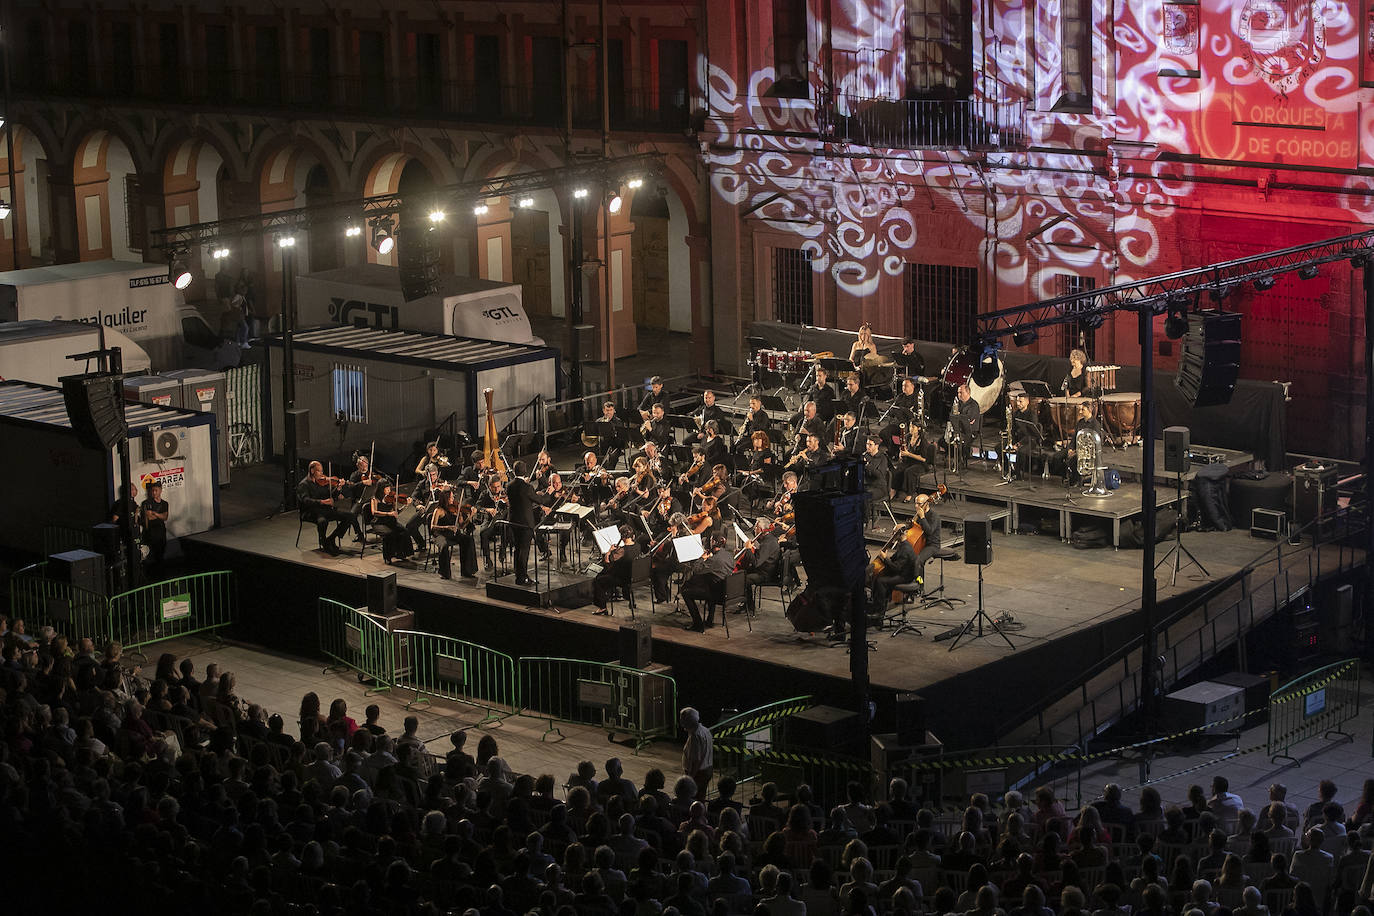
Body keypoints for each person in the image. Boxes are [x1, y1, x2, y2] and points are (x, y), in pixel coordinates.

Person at [297, 460, 355, 555]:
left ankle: (331, 539)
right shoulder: (304, 484)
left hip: (324, 510)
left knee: (350, 516)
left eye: (322, 471)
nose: (322, 473)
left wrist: (338, 488)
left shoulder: (323, 482)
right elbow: (306, 501)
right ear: (312, 471)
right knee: (322, 521)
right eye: (319, 471)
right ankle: (324, 543)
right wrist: (322, 502)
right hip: (310, 512)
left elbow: (331, 496)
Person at [680, 534, 732, 632]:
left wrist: (702, 558)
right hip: (726, 590)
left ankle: (698, 624)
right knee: (709, 583)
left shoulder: (713, 560)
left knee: (685, 592)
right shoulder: (729, 555)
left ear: (713, 542)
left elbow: (697, 570)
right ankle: (709, 620)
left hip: (717, 594)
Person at [592, 526, 640, 616]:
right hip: (634, 576)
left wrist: (609, 551)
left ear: (623, 537)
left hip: (623, 578)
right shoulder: (638, 546)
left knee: (598, 580)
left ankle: (602, 607)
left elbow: (607, 562)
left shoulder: (622, 551)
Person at [869, 527, 916, 619]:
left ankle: (880, 612)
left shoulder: (905, 549)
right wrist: (885, 558)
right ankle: (877, 604)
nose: (892, 535)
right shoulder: (902, 545)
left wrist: (885, 558)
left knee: (881, 581)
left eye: (894, 533)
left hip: (905, 577)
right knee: (881, 576)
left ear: (900, 534)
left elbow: (896, 568)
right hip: (902, 572)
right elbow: (894, 559)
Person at [739, 516, 780, 616]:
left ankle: (749, 606)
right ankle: (747, 604)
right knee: (741, 573)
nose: (754, 529)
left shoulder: (768, 542)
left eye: (756, 527)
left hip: (765, 574)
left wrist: (748, 549)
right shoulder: (768, 539)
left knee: (742, 579)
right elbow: (760, 555)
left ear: (761, 529)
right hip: (763, 569)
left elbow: (756, 562)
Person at [506, 461, 538, 586]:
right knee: (524, 551)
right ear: (525, 471)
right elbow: (539, 500)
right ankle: (522, 578)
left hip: (514, 522)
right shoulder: (527, 487)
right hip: (525, 524)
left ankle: (518, 575)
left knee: (517, 549)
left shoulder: (509, 485)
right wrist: (549, 493)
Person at [370, 480, 413, 565]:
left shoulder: (391, 499)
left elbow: (396, 512)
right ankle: (387, 557)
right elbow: (374, 512)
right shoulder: (375, 499)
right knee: (389, 534)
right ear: (381, 489)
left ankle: (400, 554)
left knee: (404, 531)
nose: (389, 490)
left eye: (389, 488)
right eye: (387, 489)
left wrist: (406, 505)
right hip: (379, 522)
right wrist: (388, 513)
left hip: (390, 521)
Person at [1009, 389, 1044, 479]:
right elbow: (1013, 430)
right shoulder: (1016, 413)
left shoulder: (1032, 414)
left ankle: (1018, 475)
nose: (1018, 403)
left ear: (1027, 402)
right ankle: (1009, 469)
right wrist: (1012, 442)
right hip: (1018, 439)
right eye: (1017, 401)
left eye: (1020, 401)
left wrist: (1019, 444)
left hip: (1030, 441)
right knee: (999, 447)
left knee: (1021, 451)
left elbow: (1032, 433)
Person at [680, 707, 714, 800]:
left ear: (688, 721)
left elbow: (696, 760)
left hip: (699, 774)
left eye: (682, 719)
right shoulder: (705, 730)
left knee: (693, 799)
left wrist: (690, 778)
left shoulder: (695, 736)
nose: (681, 722)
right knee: (701, 797)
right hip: (707, 769)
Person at [893, 425, 934, 500]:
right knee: (898, 470)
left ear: (919, 428)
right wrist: (901, 453)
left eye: (913, 427)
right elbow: (903, 449)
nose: (910, 429)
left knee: (909, 472)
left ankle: (910, 493)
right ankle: (894, 490)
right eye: (910, 426)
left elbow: (923, 459)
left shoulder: (923, 441)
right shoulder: (907, 437)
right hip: (909, 461)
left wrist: (908, 454)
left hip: (921, 464)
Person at [139, 481, 170, 569]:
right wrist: (159, 515)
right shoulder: (146, 503)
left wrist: (155, 513)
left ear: (160, 491)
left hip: (160, 532)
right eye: (152, 491)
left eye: (156, 490)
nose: (154, 492)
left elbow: (165, 517)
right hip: (150, 533)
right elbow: (149, 517)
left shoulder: (165, 503)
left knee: (160, 554)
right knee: (149, 556)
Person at [953, 383, 982, 458]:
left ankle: (961, 460)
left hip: (970, 431)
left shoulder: (974, 405)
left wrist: (959, 416)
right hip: (959, 430)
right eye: (958, 392)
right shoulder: (957, 403)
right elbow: (953, 415)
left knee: (962, 445)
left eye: (961, 392)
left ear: (967, 393)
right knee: (943, 441)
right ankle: (954, 457)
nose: (959, 394)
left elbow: (969, 419)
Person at [863, 436, 890, 514]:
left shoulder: (883, 458)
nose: (867, 447)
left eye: (870, 445)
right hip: (867, 485)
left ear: (877, 446)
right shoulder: (865, 455)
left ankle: (865, 520)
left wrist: (867, 466)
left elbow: (880, 475)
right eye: (867, 444)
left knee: (865, 497)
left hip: (879, 487)